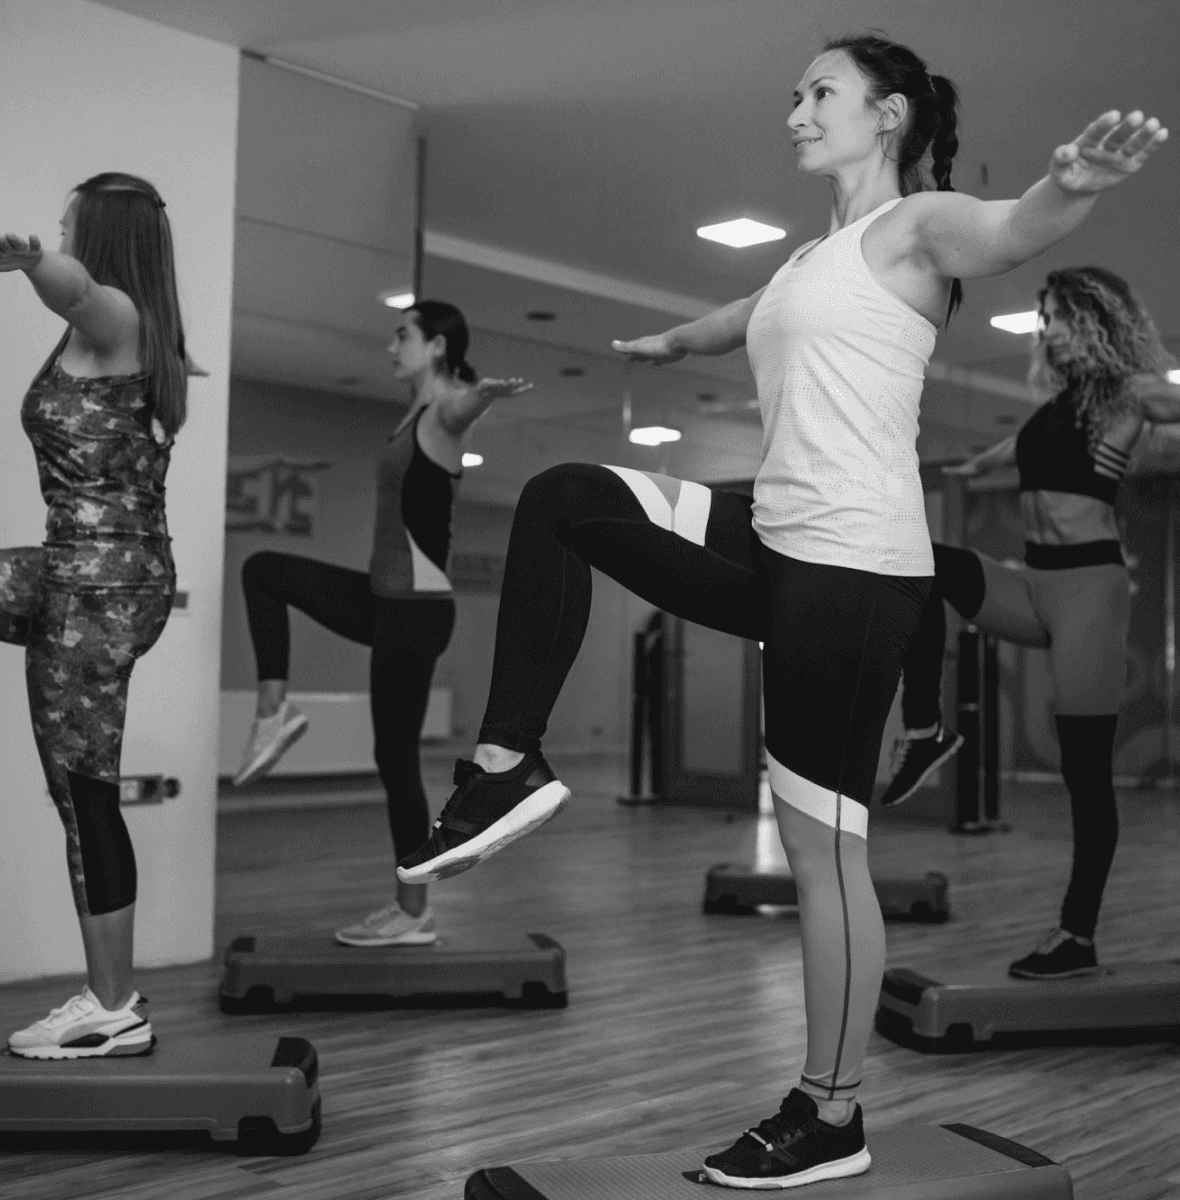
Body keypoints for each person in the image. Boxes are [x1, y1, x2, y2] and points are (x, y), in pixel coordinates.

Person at [395, 31, 1168, 1190]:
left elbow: (1008, 232)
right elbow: (738, 316)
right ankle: (507, 760)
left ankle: (831, 1111)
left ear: (889, 114)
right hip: (773, 528)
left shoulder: (917, 225)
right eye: (795, 95)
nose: (796, 112)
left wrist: (1069, 187)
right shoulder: (814, 257)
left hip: (854, 570)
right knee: (564, 499)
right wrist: (666, 340)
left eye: (819, 94)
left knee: (823, 851)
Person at [881, 266, 1180, 981]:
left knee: (1084, 775)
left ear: (1089, 317)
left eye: (1052, 316)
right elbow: (1003, 455)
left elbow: (1169, 404)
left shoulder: (1132, 394)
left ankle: (1077, 936)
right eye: (1041, 318)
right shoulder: (1055, 406)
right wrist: (957, 467)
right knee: (924, 566)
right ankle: (926, 732)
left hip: (1090, 589)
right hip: (1034, 581)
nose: (1045, 330)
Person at [233, 301, 531, 947]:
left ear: (437, 348)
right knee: (265, 571)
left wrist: (478, 396)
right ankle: (273, 715)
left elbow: (459, 410)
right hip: (385, 601)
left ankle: (413, 913)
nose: (391, 344)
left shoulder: (444, 410)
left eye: (404, 335)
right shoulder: (408, 416)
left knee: (395, 762)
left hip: (416, 613)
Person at [1, 174, 188, 1059]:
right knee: (81, 791)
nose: (59, 228)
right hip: (85, 573)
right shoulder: (120, 328)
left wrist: (37, 263)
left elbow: (77, 289)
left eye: (69, 222)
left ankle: (111, 1004)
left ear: (97, 235)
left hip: (97, 590)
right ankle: (112, 991)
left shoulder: (116, 316)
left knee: (83, 794)